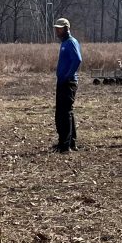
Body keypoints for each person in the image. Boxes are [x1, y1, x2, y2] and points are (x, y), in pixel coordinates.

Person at [52, 17, 81, 152]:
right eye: (56, 28)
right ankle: (70, 142)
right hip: (62, 81)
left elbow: (77, 60)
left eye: (60, 28)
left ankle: (65, 145)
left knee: (64, 113)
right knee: (64, 112)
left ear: (66, 29)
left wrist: (68, 75)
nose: (57, 31)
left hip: (68, 82)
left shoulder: (70, 42)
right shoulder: (64, 43)